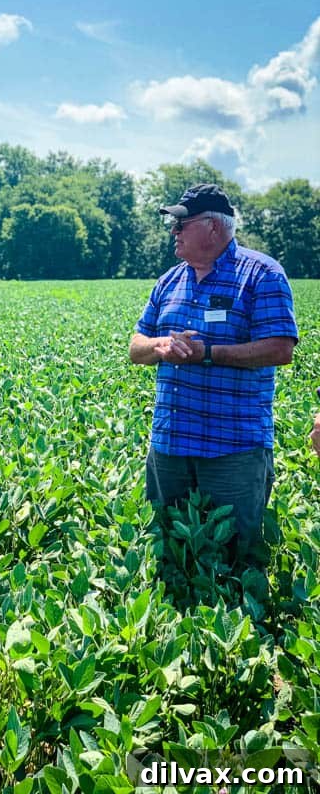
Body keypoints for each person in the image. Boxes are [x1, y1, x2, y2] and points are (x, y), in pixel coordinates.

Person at [129, 184, 298, 569]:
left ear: (212, 228)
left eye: (180, 224)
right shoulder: (169, 281)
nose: (173, 232)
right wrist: (160, 348)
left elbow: (280, 348)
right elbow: (135, 345)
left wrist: (207, 354)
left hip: (233, 448)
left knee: (232, 560)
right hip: (170, 444)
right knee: (169, 553)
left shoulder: (262, 275)